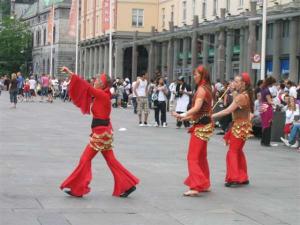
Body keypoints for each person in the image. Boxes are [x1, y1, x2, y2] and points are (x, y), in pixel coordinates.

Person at [59, 66, 139, 198]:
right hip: (103, 132)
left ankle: (78, 188)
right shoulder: (102, 95)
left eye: (96, 80)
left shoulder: (101, 95)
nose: (94, 81)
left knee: (85, 159)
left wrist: (70, 73)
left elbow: (85, 86)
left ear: (102, 84)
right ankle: (128, 185)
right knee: (111, 160)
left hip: (101, 134)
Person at [172, 66, 214, 196]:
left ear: (202, 75)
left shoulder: (201, 89)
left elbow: (196, 108)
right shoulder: (207, 88)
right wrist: (183, 116)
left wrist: (183, 114)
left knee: (193, 157)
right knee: (201, 157)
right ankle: (205, 183)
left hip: (201, 127)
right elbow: (201, 112)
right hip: (204, 124)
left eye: (196, 74)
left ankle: (196, 187)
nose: (194, 76)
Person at [212, 72, 254, 187]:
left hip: (239, 126)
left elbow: (227, 110)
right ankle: (242, 177)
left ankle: (234, 178)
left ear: (243, 84)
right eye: (233, 81)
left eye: (236, 81)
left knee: (233, 152)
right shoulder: (245, 94)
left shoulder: (241, 96)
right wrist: (233, 90)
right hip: (243, 125)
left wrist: (211, 116)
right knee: (238, 151)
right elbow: (236, 100)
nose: (233, 83)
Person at [260, 76, 276, 147]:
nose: (273, 85)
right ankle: (267, 142)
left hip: (263, 107)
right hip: (267, 108)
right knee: (268, 124)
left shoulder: (263, 89)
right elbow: (269, 101)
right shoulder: (267, 90)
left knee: (264, 124)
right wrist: (274, 102)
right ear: (271, 83)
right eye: (273, 83)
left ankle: (263, 141)